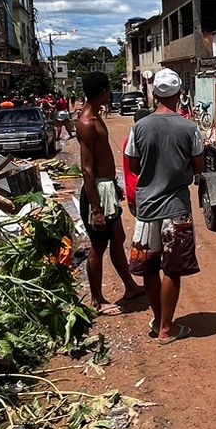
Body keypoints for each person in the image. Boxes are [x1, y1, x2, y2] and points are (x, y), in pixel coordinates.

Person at [125, 67, 205, 345]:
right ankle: (166, 329)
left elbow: (133, 165)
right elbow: (199, 168)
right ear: (180, 94)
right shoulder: (189, 128)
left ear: (154, 93)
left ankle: (159, 320)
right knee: (172, 268)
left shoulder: (139, 126)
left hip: (147, 209)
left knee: (149, 268)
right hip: (176, 208)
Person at [75, 73, 142, 317]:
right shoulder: (87, 123)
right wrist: (96, 208)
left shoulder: (97, 117)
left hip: (107, 188)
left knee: (118, 236)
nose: (111, 94)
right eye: (109, 91)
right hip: (97, 194)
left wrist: (114, 187)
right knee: (98, 245)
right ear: (103, 91)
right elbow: (87, 169)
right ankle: (97, 300)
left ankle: (131, 287)